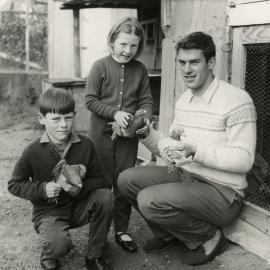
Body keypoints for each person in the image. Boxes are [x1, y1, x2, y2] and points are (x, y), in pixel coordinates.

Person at [118, 31, 257, 266]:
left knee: (149, 200)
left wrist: (196, 151)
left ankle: (208, 237)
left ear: (211, 63)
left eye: (194, 62)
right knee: (126, 179)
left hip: (222, 192)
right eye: (182, 62)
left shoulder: (237, 100)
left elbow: (244, 159)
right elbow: (174, 149)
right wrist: (147, 135)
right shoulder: (185, 101)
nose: (187, 70)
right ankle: (168, 234)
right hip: (187, 177)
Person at [8, 88, 114, 270]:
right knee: (58, 246)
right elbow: (14, 185)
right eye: (56, 119)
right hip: (49, 212)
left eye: (68, 118)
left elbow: (103, 180)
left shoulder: (86, 144)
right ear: (42, 119)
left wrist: (81, 187)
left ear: (74, 115)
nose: (63, 125)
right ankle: (50, 253)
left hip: (79, 206)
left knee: (106, 197)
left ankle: (95, 254)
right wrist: (42, 189)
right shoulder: (33, 151)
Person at [85, 16, 153, 253]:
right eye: (123, 44)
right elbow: (90, 100)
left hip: (127, 139)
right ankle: (99, 234)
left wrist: (140, 119)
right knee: (103, 184)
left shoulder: (140, 69)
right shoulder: (100, 66)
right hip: (101, 137)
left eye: (133, 46)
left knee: (123, 182)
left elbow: (145, 102)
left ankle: (122, 229)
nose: (128, 50)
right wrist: (114, 113)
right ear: (112, 41)